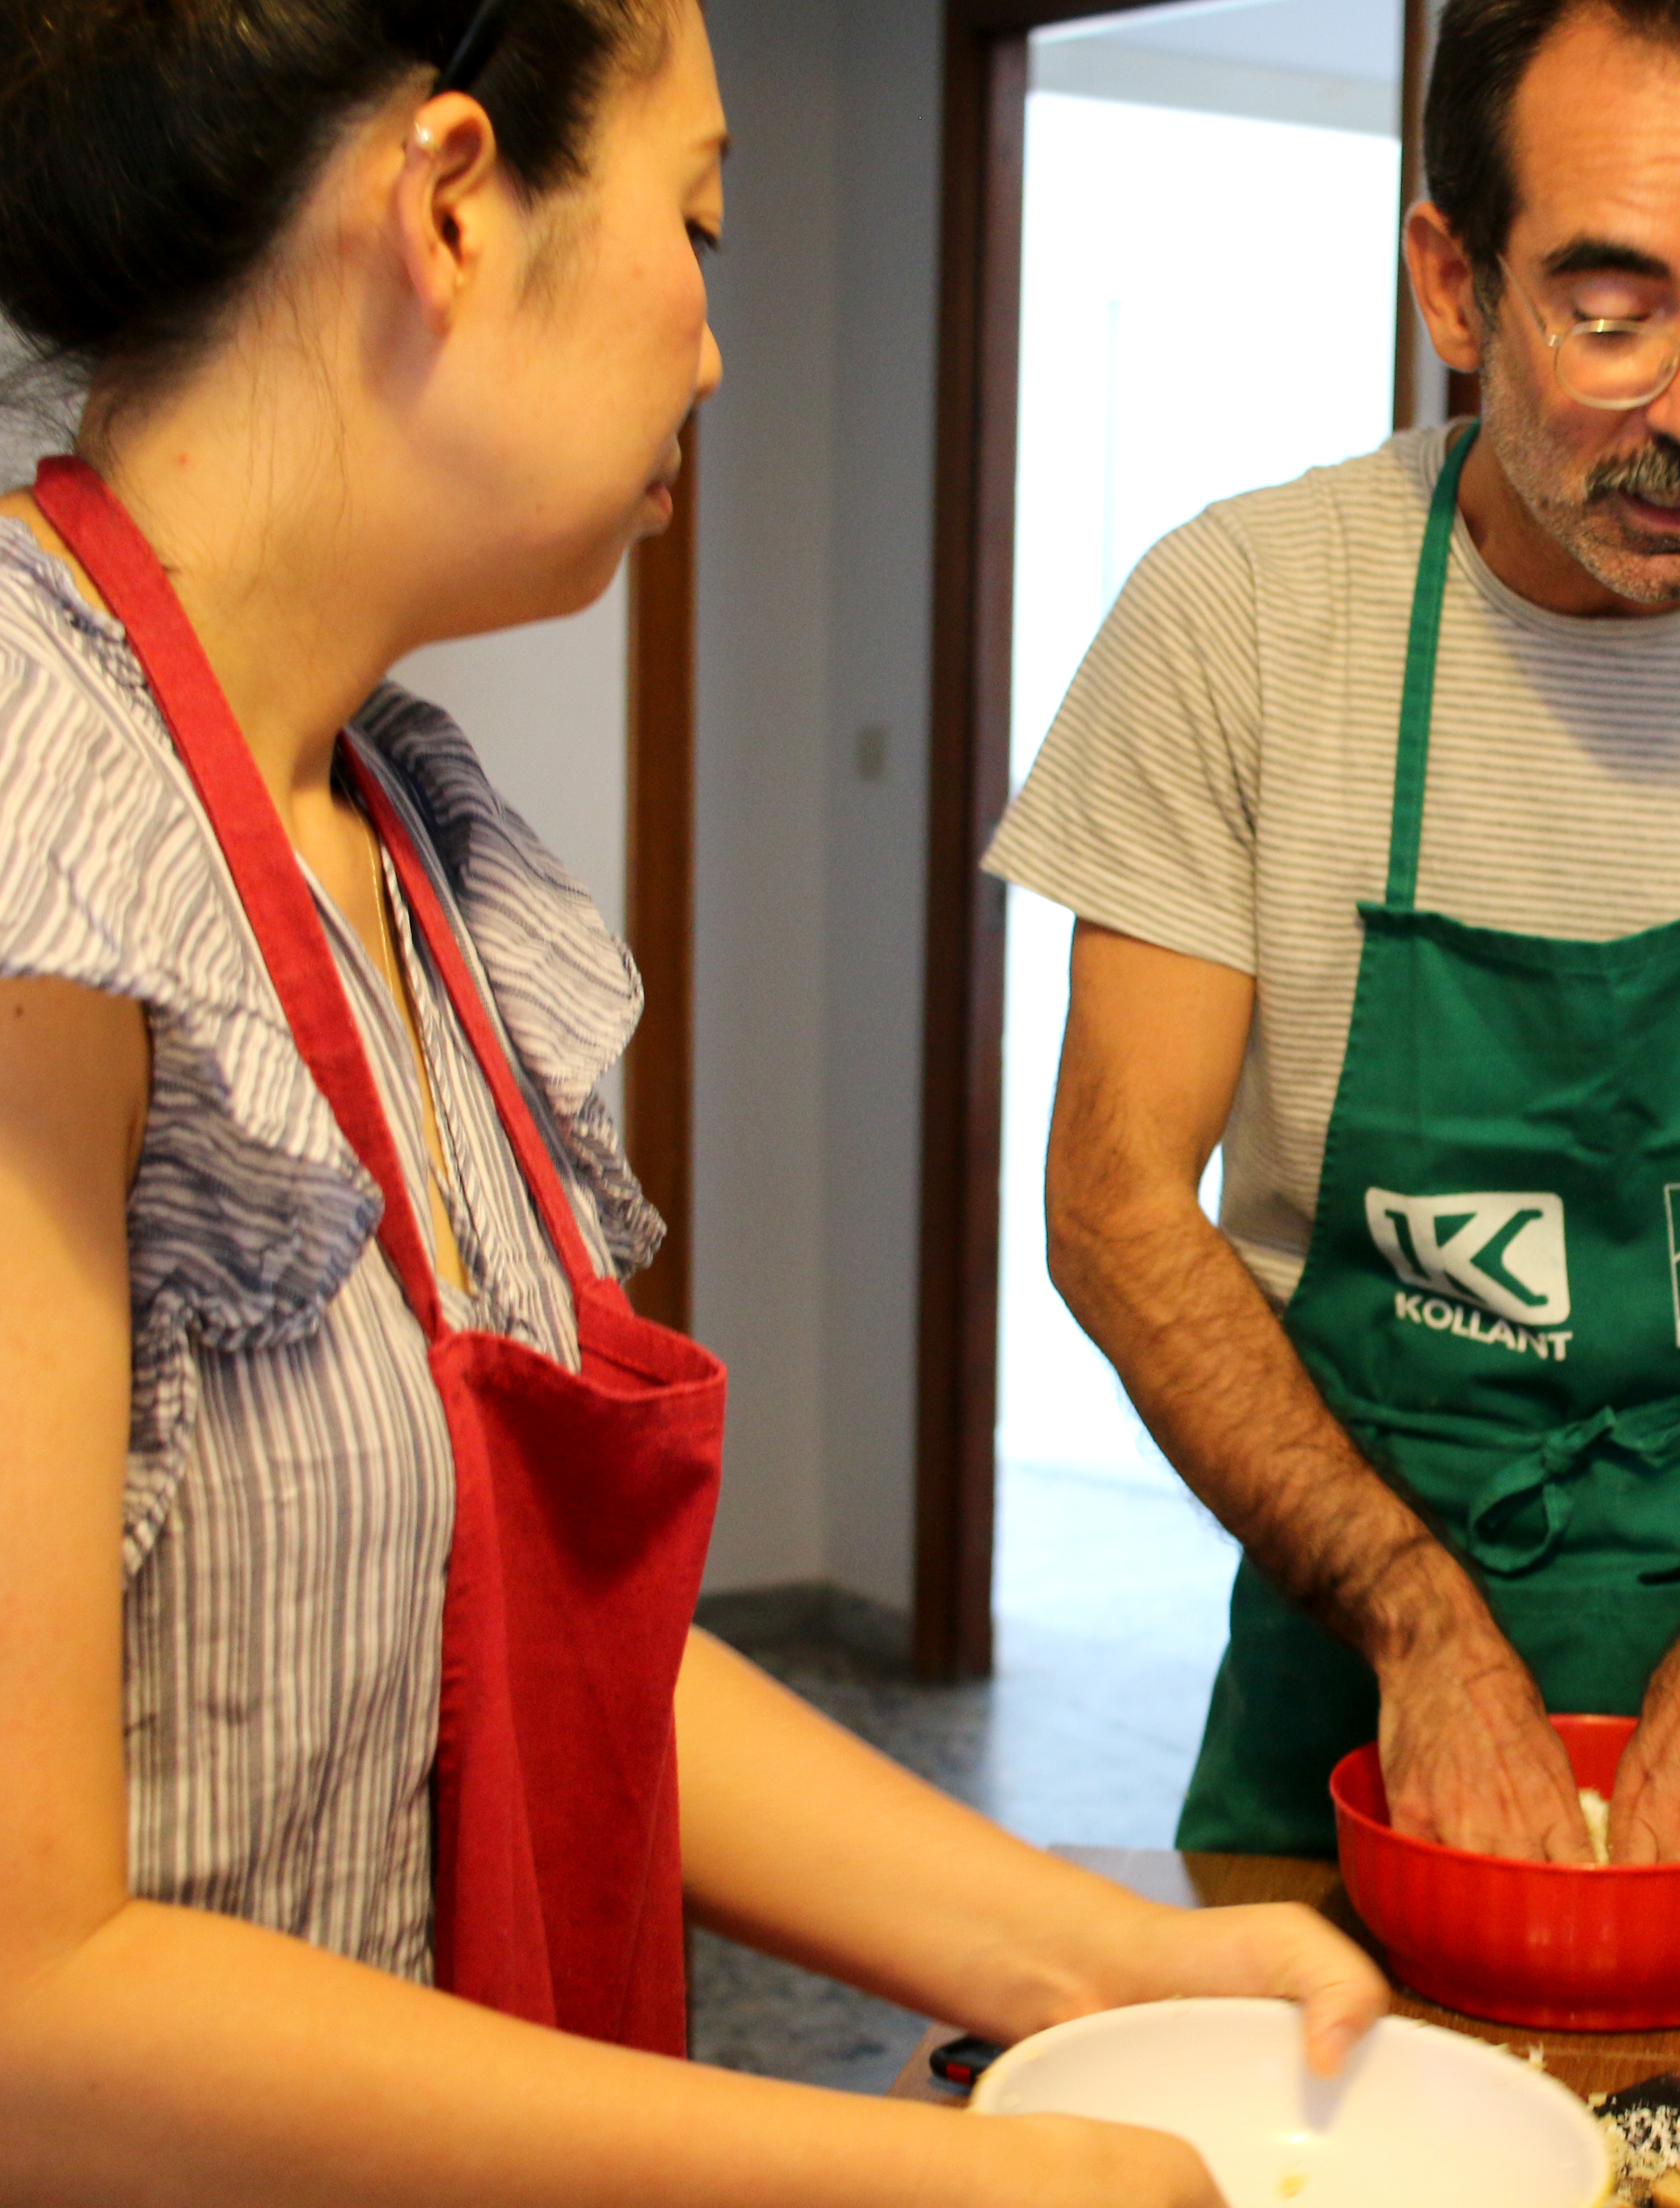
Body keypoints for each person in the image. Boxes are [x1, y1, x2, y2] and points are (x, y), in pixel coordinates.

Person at [0, 6, 1380, 2203]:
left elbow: (531, 1644)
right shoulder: (35, 816)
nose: (718, 346)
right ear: (451, 202)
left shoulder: (400, 844)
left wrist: (1105, 1962)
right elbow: (35, 2005)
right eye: (698, 217)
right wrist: (931, 2180)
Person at [984, 0, 1680, 1884]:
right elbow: (1112, 1197)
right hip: (1342, 1668)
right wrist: (1415, 1624)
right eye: (1611, 313)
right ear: (1453, 282)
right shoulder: (1245, 621)